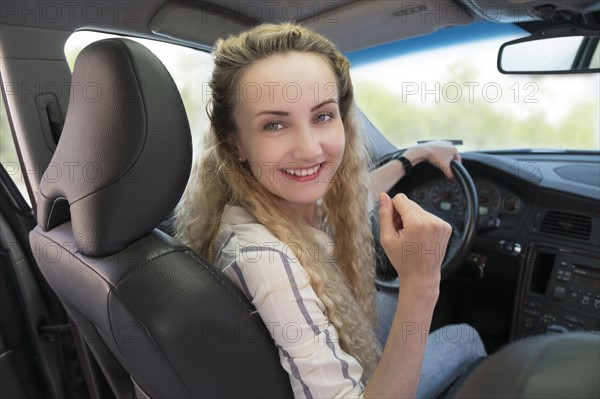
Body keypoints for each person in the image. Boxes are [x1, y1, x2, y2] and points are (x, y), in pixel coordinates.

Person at [175, 23, 486, 399]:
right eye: (274, 124)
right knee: (462, 337)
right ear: (235, 143)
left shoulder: (265, 205)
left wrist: (412, 158)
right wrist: (422, 284)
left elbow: (348, 197)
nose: (308, 150)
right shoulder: (266, 260)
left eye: (322, 116)